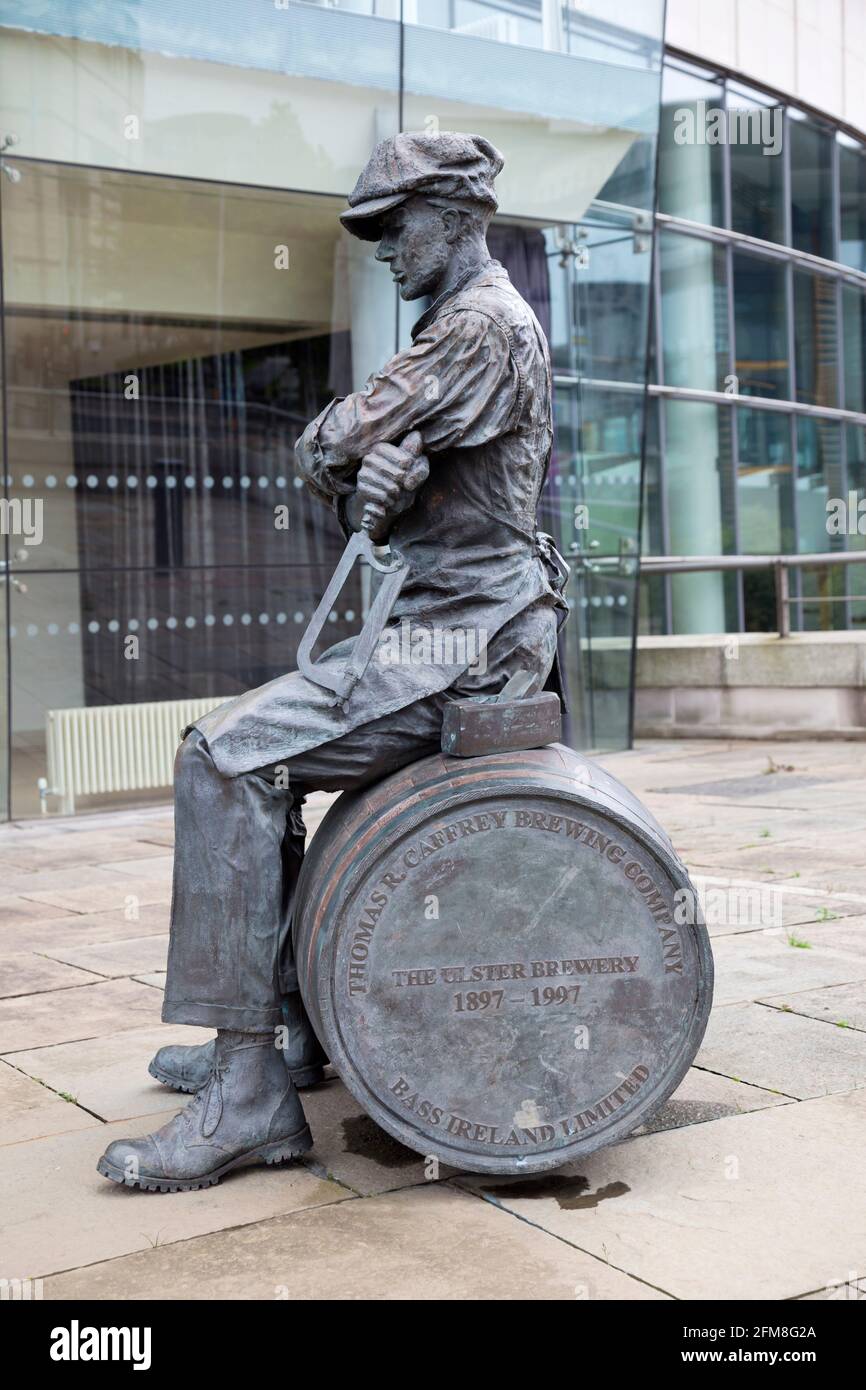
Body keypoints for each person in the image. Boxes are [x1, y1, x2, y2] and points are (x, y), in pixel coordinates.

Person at [97, 131, 566, 1192]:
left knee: (219, 759)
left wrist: (357, 458)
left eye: (396, 226)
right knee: (252, 753)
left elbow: (333, 432)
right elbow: (343, 459)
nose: (384, 249)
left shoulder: (476, 329)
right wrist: (370, 485)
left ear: (454, 217)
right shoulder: (457, 326)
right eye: (374, 232)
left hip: (464, 641)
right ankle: (291, 1035)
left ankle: (251, 1092)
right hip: (436, 625)